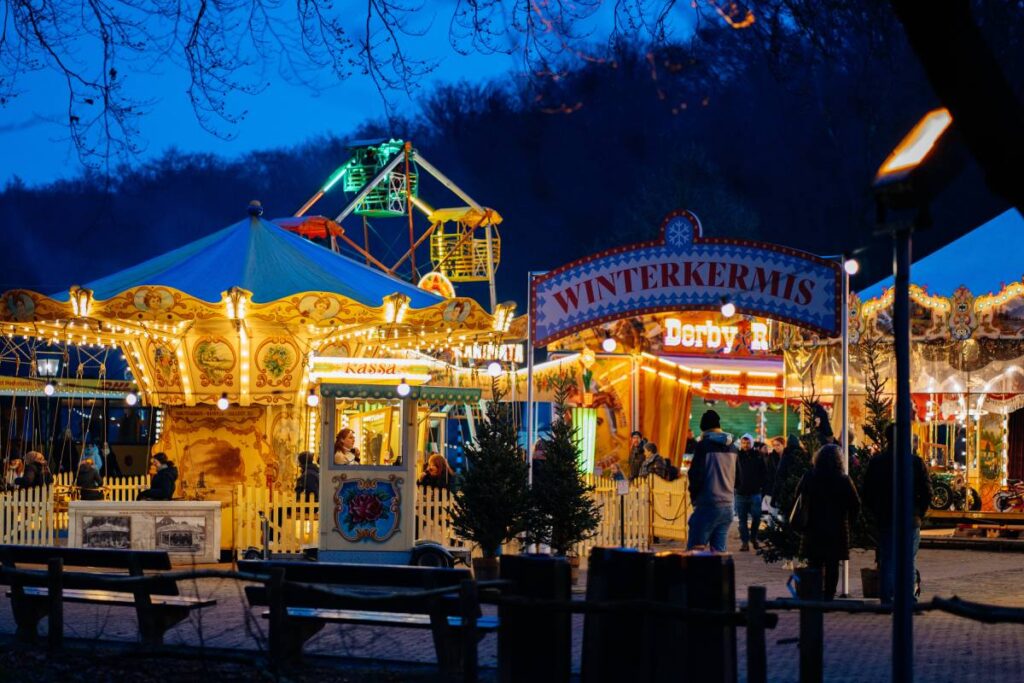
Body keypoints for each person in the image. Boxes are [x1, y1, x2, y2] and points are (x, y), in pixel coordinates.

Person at [863, 423, 932, 604]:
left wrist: (877, 511)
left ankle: (887, 597)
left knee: (888, 559)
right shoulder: (915, 462)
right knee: (908, 559)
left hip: (886, 518)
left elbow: (867, 491)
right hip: (910, 518)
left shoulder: (877, 462)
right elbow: (926, 491)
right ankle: (907, 598)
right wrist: (919, 512)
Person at [796, 443, 861, 599]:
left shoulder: (810, 476)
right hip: (836, 527)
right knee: (832, 564)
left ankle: (815, 595)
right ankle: (829, 596)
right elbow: (855, 503)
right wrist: (850, 522)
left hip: (813, 526)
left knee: (815, 562)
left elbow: (798, 496)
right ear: (839, 460)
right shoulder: (843, 479)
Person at [686, 410, 741, 552]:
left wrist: (694, 497)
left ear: (703, 428)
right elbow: (738, 479)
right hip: (728, 507)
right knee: (718, 555)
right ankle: (717, 574)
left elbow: (695, 475)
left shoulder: (703, 446)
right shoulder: (733, 447)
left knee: (695, 551)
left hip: (707, 505)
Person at [735, 435, 768, 551]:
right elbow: (733, 472)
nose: (745, 445)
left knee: (756, 517)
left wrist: (761, 487)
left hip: (755, 493)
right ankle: (745, 542)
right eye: (743, 443)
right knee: (742, 520)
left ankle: (753, 538)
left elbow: (764, 473)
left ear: (752, 443)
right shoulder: (737, 456)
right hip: (740, 493)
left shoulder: (758, 456)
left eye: (748, 443)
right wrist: (735, 486)